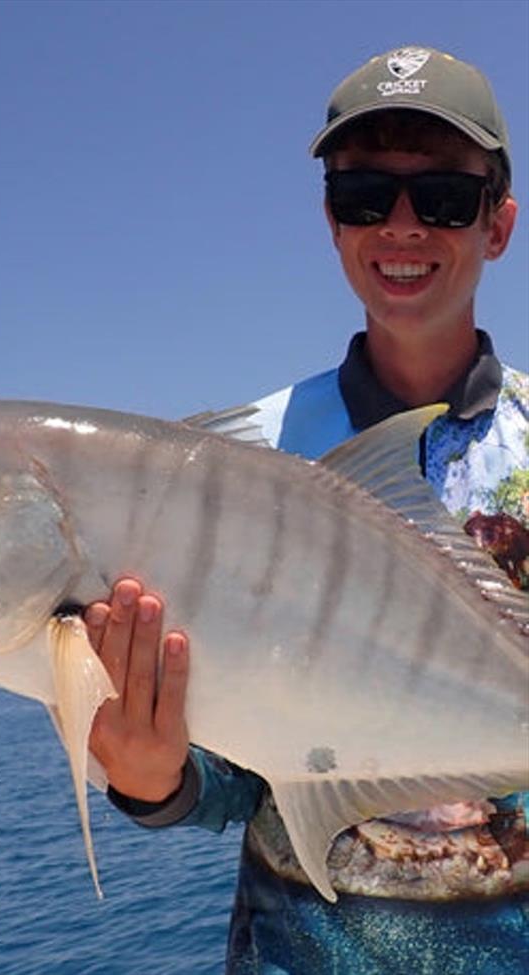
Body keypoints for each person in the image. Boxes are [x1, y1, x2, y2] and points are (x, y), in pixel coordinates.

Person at [85, 46, 529, 975]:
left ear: (499, 224)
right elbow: (234, 778)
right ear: (331, 221)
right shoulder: (236, 458)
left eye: (444, 196)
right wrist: (151, 776)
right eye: (364, 193)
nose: (402, 226)